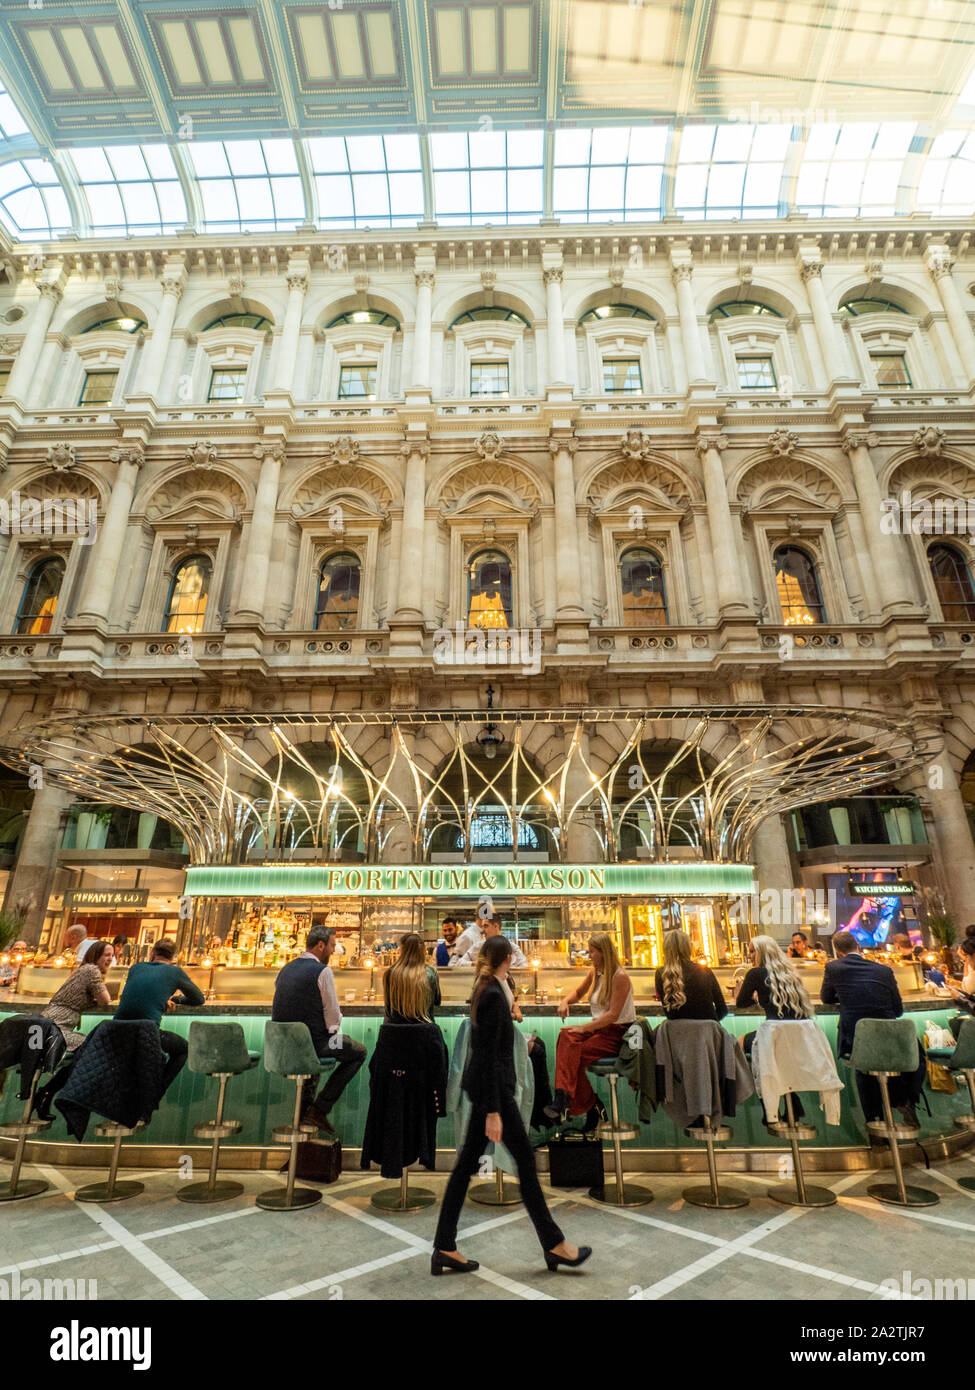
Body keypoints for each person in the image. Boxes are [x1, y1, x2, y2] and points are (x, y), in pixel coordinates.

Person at [431, 935, 592, 1276]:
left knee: (468, 1169)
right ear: (505, 958)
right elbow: (489, 1055)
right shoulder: (492, 994)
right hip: (495, 1094)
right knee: (523, 1165)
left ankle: (445, 1246)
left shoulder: (492, 988)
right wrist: (492, 1110)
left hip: (489, 1091)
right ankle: (554, 1245)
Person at [820, 929, 926, 1127]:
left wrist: (846, 996)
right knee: (916, 1059)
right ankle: (906, 1099)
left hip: (857, 1038)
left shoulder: (833, 967)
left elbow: (826, 998)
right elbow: (898, 1009)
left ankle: (875, 1122)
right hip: (894, 1036)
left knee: (864, 1068)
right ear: (858, 947)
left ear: (837, 951)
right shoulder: (883, 970)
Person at [271, 923, 367, 1137]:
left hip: (282, 1046)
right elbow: (332, 1018)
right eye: (332, 946)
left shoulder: (285, 968)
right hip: (313, 1044)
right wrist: (333, 1033)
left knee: (317, 1058)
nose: (333, 951)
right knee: (358, 1052)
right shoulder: (322, 971)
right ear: (321, 945)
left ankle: (305, 1115)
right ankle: (319, 1109)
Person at [544, 932, 635, 1125]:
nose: (589, 955)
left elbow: (613, 1015)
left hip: (617, 1033)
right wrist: (565, 1001)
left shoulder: (620, 977)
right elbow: (578, 992)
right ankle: (569, 1100)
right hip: (599, 1029)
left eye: (592, 951)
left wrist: (585, 1029)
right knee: (566, 1036)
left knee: (573, 1053)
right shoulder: (595, 972)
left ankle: (568, 1100)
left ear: (603, 952)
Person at [32, 939, 115, 1119]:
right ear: (96, 955)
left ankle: (47, 1093)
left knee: (87, 1051)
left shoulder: (83, 970)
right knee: (92, 1049)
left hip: (48, 1025)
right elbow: (105, 1000)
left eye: (112, 955)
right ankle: (52, 1094)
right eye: (106, 955)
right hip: (56, 1028)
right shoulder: (92, 970)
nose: (110, 959)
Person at [735, 935, 813, 1126]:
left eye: (753, 951)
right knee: (777, 1060)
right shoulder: (790, 972)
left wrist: (756, 998)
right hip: (798, 1036)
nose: (750, 956)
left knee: (737, 1045)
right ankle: (793, 1103)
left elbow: (741, 1002)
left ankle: (768, 1106)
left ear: (762, 952)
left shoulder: (755, 973)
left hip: (774, 1035)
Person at [114, 938, 205, 1095]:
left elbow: (140, 995)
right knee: (185, 1049)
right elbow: (199, 999)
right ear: (173, 957)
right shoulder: (175, 972)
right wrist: (175, 999)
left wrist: (165, 999)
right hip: (146, 1034)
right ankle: (155, 1093)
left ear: (152, 954)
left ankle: (140, 1096)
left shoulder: (135, 968)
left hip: (116, 1031)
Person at [655, 929, 727, 1020]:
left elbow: (669, 1014)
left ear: (665, 950)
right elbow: (723, 1009)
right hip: (706, 1032)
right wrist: (710, 1024)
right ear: (689, 948)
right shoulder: (704, 971)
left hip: (677, 1033)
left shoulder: (661, 974)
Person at [384, 931, 441, 1024]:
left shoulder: (390, 973)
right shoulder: (431, 972)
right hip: (425, 1033)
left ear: (401, 950)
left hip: (394, 1033)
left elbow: (388, 1008)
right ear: (422, 950)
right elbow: (437, 1001)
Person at [449, 912, 527, 968]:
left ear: (496, 926)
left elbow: (524, 968)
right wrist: (475, 964)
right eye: (482, 926)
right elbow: (459, 964)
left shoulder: (512, 948)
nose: (482, 930)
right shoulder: (478, 946)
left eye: (486, 926)